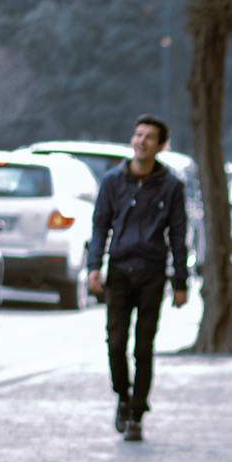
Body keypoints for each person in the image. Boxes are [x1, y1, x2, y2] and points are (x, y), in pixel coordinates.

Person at [85, 116, 190, 442]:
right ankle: (122, 396)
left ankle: (137, 410)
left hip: (152, 272)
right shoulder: (113, 181)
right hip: (119, 270)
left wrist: (181, 281)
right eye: (138, 135)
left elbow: (178, 235)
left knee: (143, 347)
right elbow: (101, 225)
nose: (142, 141)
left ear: (161, 146)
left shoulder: (171, 186)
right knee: (115, 342)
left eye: (149, 137)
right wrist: (94, 266)